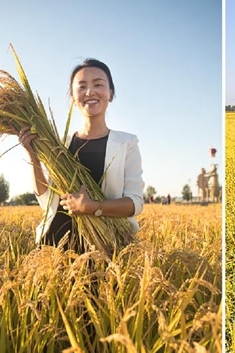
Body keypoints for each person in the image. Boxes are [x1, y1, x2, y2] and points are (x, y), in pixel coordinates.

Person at [19, 59, 144, 251]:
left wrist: (93, 207)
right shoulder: (58, 143)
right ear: (72, 97)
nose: (90, 92)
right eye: (82, 86)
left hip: (104, 249)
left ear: (111, 93)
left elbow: (134, 203)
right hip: (55, 246)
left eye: (98, 84)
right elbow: (46, 201)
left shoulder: (126, 143)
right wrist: (33, 155)